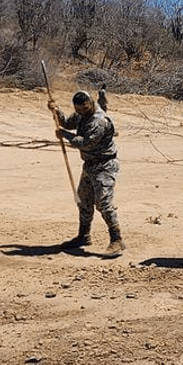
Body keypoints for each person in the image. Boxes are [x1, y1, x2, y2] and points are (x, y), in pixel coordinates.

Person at [50, 91, 124, 257]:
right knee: (84, 200)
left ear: (90, 103)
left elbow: (85, 144)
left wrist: (65, 135)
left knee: (103, 203)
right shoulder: (81, 114)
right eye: (79, 110)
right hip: (89, 165)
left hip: (105, 165)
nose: (81, 112)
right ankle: (84, 236)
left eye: (84, 108)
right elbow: (68, 122)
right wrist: (56, 111)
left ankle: (117, 239)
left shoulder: (98, 121)